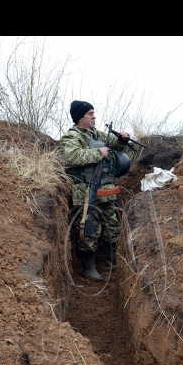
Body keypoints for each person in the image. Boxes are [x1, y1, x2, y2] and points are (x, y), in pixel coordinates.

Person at [60, 101, 131, 281]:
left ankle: (113, 261)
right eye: (90, 114)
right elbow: (71, 157)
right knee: (89, 229)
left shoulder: (97, 134)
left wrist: (122, 140)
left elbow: (114, 146)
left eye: (94, 113)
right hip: (85, 191)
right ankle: (88, 267)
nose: (94, 117)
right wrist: (98, 153)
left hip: (105, 188)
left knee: (112, 225)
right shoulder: (72, 137)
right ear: (80, 117)